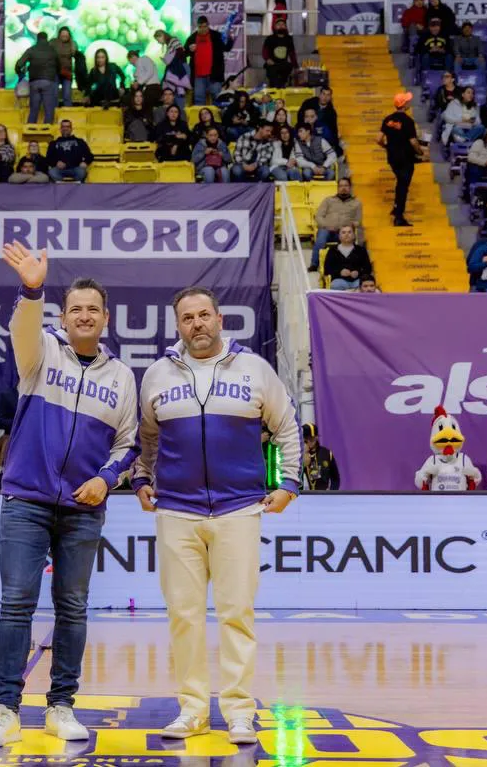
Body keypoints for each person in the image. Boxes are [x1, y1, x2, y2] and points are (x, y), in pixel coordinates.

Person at [0, 243, 136, 749]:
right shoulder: (39, 352)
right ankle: (5, 709)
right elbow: (21, 327)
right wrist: (31, 290)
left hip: (84, 508)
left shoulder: (123, 376)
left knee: (73, 607)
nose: (84, 315)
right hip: (26, 499)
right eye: (75, 308)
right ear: (63, 317)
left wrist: (106, 478)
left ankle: (61, 705)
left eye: (93, 309)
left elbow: (128, 444)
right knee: (16, 603)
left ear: (105, 318)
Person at [131, 286, 300, 743]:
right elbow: (146, 439)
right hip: (176, 512)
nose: (197, 324)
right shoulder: (157, 375)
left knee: (236, 613)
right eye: (187, 318)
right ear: (178, 325)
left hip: (239, 507)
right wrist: (141, 479)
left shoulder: (254, 370)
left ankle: (240, 712)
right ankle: (191, 710)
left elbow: (287, 427)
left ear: (220, 319)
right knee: (183, 614)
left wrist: (289, 484)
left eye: (204, 315)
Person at [377, 92, 421, 227]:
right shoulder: (408, 121)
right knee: (403, 186)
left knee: (400, 183)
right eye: (407, 101)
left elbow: (378, 139)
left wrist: (386, 147)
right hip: (406, 158)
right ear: (404, 104)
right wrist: (420, 153)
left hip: (392, 157)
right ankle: (399, 217)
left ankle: (396, 208)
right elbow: (413, 142)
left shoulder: (388, 119)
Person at [308, 178, 361, 272]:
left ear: (350, 187)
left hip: (343, 231)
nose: (343, 188)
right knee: (321, 239)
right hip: (326, 229)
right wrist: (326, 225)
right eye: (341, 186)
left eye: (346, 186)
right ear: (337, 188)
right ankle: (314, 264)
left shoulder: (356, 203)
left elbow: (358, 220)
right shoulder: (328, 200)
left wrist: (350, 225)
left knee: (347, 238)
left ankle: (345, 266)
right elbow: (319, 216)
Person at [185, 17, 232, 106]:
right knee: (199, 99)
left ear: (208, 25)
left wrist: (230, 39)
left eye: (205, 26)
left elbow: (226, 48)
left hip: (214, 74)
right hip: (198, 75)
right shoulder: (192, 38)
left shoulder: (216, 36)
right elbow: (184, 53)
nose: (203, 29)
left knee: (217, 98)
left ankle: (217, 119)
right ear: (197, 26)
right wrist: (189, 50)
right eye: (200, 27)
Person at [14, 33, 59, 125]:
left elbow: (19, 64)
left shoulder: (31, 50)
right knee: (48, 109)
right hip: (48, 81)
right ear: (46, 39)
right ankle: (48, 132)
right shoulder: (52, 50)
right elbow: (59, 65)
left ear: (37, 39)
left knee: (34, 109)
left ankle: (30, 130)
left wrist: (20, 74)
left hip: (34, 82)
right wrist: (54, 74)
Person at [321, 224, 371, 291]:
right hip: (339, 280)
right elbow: (327, 269)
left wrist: (358, 272)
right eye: (343, 232)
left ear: (354, 235)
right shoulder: (332, 251)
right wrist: (340, 272)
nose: (347, 234)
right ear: (339, 236)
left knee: (365, 286)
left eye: (349, 232)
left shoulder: (361, 250)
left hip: (357, 281)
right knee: (336, 285)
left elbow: (368, 268)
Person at [301, 424, 340, 491]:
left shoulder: (326, 453)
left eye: (312, 438)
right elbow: (297, 480)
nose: (310, 441)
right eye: (307, 439)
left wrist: (332, 493)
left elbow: (335, 478)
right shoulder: (300, 456)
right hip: (308, 497)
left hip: (325, 496)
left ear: (317, 437)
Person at [261, 19, 297, 88]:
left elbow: (292, 53)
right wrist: (267, 59)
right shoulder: (270, 38)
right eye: (278, 25)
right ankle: (275, 87)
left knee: (289, 66)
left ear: (286, 27)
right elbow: (264, 51)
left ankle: (282, 85)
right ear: (275, 27)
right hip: (272, 63)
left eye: (283, 25)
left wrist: (296, 66)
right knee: (271, 70)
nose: (281, 26)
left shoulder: (289, 39)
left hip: (283, 63)